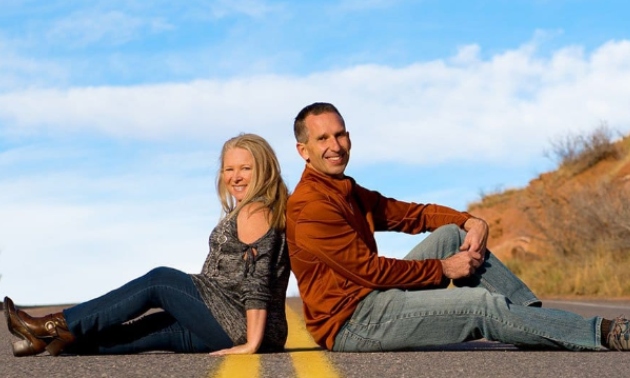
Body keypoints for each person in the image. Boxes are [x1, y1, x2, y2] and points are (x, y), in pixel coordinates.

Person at [286, 101, 630, 352]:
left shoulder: (346, 189)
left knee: (453, 235)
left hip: (372, 300)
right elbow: (370, 271)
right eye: (323, 139)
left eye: (340, 134)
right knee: (479, 304)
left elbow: (412, 214)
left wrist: (470, 221)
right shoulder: (312, 206)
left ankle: (532, 322)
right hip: (353, 323)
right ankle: (605, 332)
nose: (335, 146)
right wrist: (443, 268)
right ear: (304, 150)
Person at [4, 133, 290, 357]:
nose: (235, 177)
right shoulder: (256, 210)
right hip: (230, 322)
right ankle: (55, 341)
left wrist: (251, 342)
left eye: (245, 169)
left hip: (236, 322)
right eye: (229, 169)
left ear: (263, 171)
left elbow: (258, 283)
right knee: (148, 331)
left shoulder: (255, 211)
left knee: (159, 280)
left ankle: (51, 325)